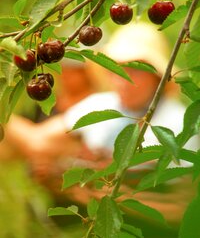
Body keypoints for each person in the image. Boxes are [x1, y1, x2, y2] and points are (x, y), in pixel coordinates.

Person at [2, 22, 199, 222]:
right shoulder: (102, 105)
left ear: (157, 76)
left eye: (136, 70)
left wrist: (82, 182)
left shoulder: (179, 123)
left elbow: (177, 202)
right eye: (117, 70)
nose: (122, 81)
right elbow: (39, 143)